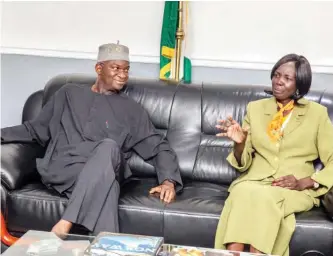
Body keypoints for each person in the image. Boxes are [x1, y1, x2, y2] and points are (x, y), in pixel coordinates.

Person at [1, 42, 183, 236]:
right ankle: (107, 247)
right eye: (116, 68)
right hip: (67, 169)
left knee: (109, 149)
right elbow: (35, 129)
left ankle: (65, 223)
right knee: (108, 185)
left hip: (109, 164)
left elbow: (157, 145)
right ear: (99, 68)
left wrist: (168, 181)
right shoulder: (68, 93)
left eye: (126, 69)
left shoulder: (132, 110)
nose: (123, 75)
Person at [214, 54, 333, 256]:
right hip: (255, 180)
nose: (279, 81)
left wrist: (306, 182)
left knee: (266, 198)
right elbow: (242, 163)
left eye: (287, 78)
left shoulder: (317, 114)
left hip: (294, 188)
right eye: (276, 75)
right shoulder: (256, 109)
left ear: (300, 84)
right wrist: (240, 144)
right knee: (241, 192)